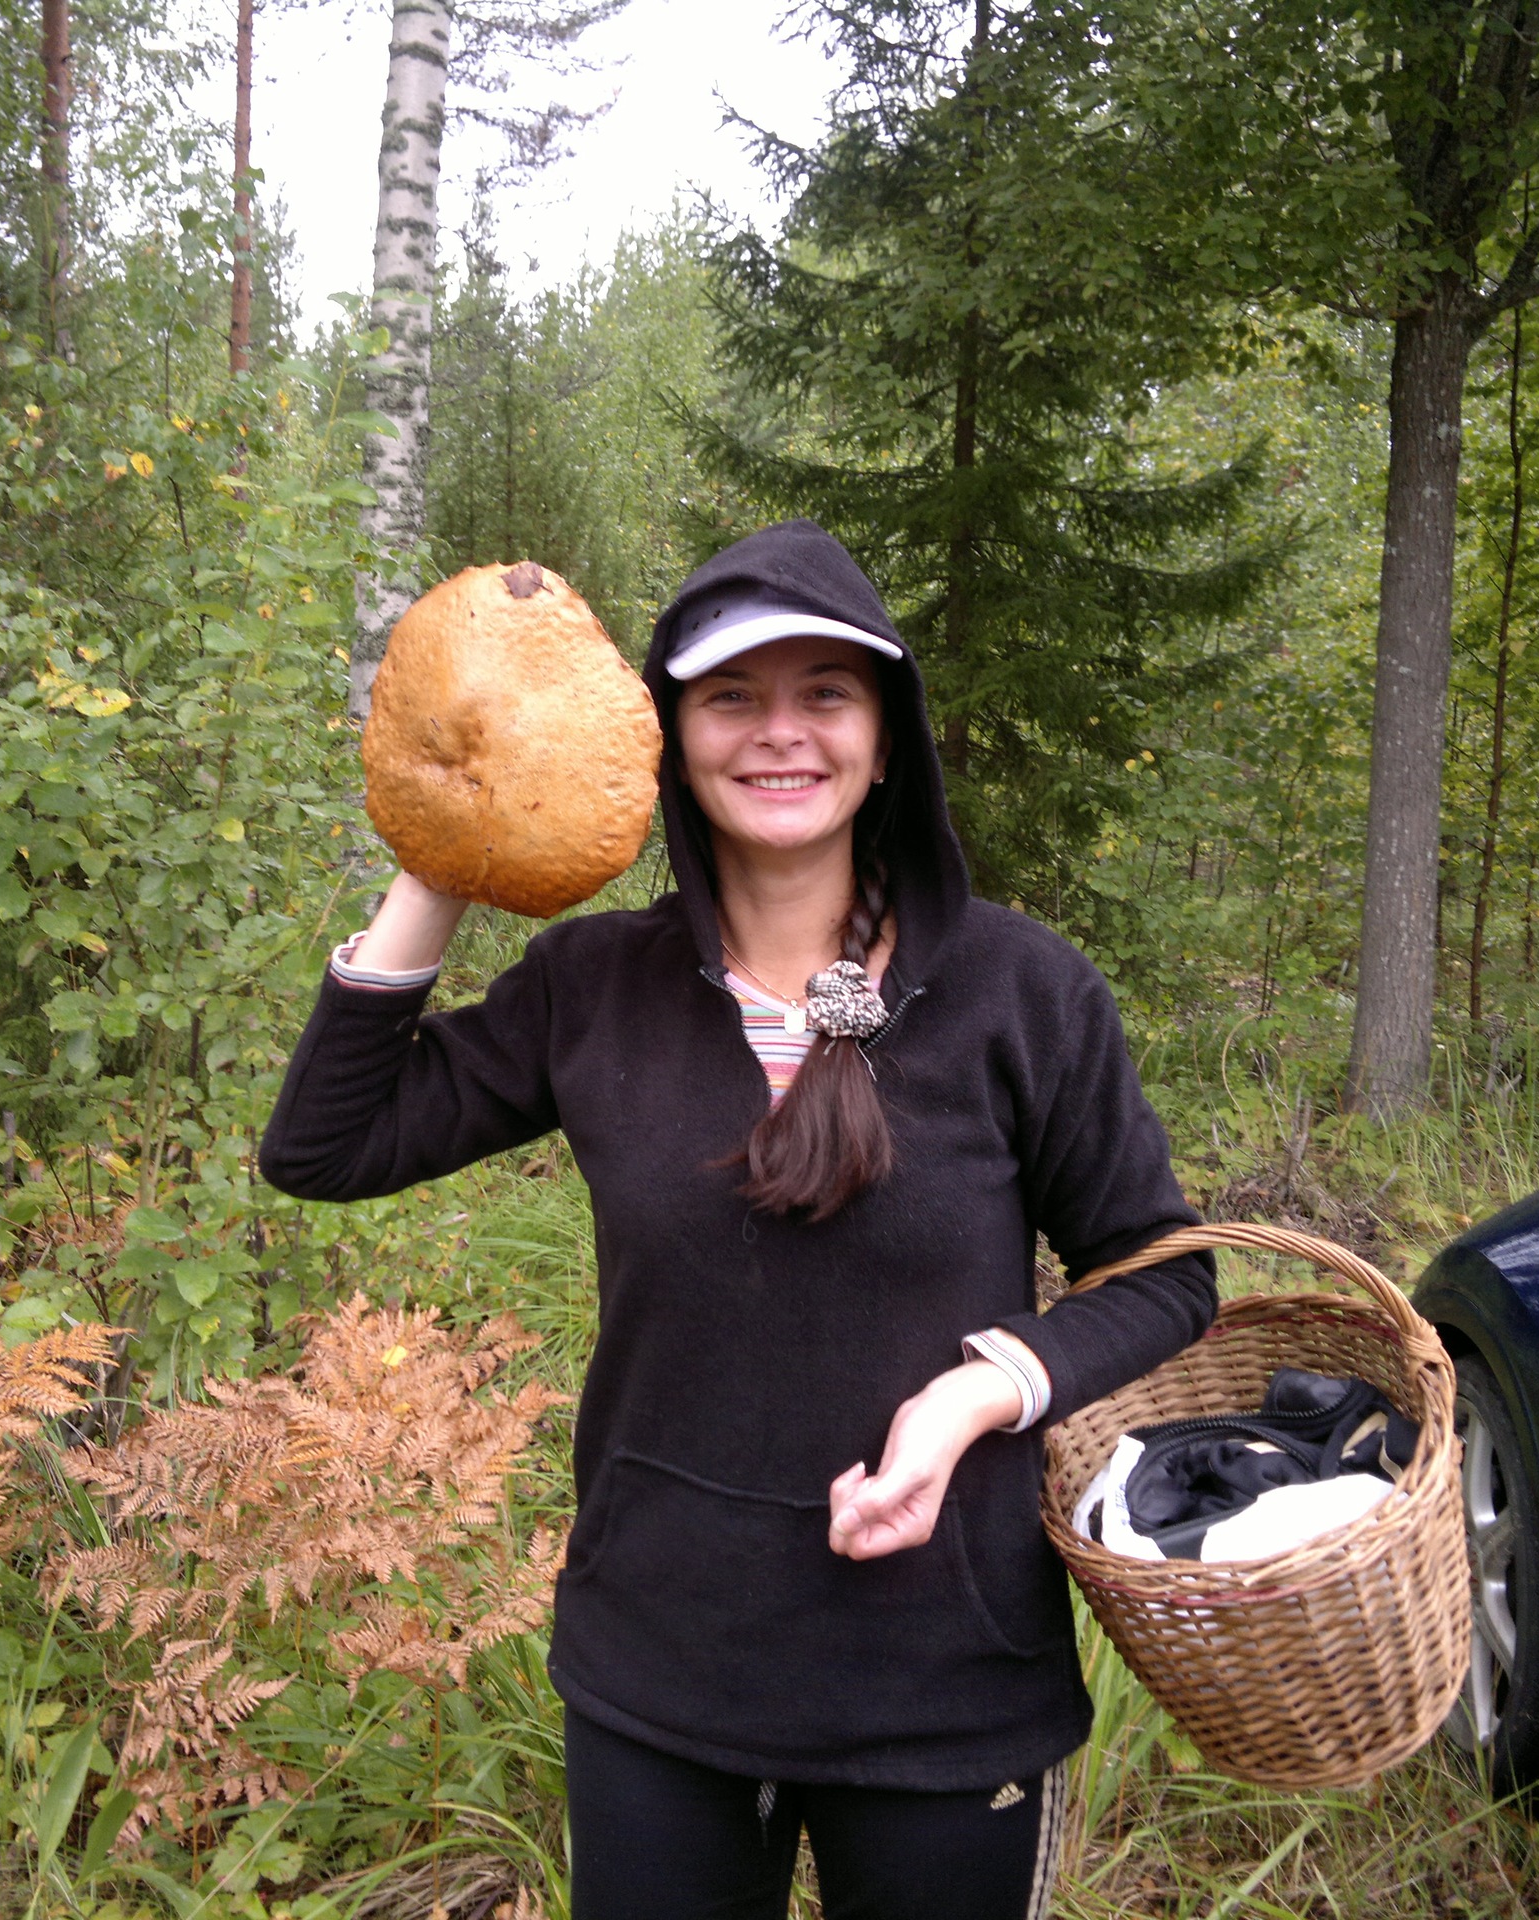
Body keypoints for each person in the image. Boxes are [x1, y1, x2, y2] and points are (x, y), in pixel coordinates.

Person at [262, 520, 1214, 1920]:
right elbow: (325, 1146)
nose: (780, 733)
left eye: (826, 693)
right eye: (730, 697)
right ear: (668, 741)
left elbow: (1163, 1276)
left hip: (944, 1671)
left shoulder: (1021, 992)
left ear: (886, 741)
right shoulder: (594, 986)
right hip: (663, 1664)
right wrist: (449, 841)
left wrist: (975, 1396)